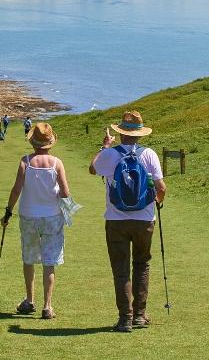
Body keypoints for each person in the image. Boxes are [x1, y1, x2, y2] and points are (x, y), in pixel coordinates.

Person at [90, 111, 166, 333]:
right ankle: (140, 315)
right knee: (142, 264)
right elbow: (161, 188)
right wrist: (157, 203)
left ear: (120, 133)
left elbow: (92, 168)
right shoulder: (149, 154)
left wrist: (104, 147)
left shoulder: (110, 155)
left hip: (116, 220)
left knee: (120, 269)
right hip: (144, 219)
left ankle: (125, 319)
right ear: (140, 134)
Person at [1, 122, 71, 320]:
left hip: (28, 215)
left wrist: (8, 212)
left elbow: (16, 190)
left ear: (33, 142)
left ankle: (30, 300)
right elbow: (65, 192)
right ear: (50, 143)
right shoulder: (57, 163)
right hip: (52, 215)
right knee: (50, 261)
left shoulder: (25, 162)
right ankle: (47, 306)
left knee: (29, 258)